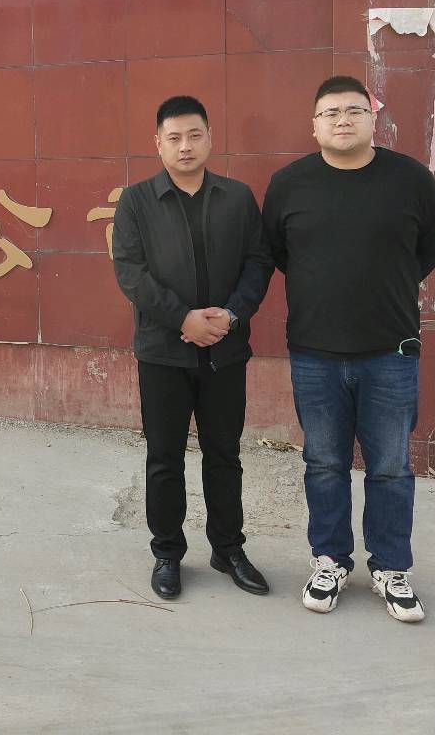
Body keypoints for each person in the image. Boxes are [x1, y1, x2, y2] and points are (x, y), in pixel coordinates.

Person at [262, 75, 435, 623]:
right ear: (314, 125)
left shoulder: (409, 179)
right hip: (314, 352)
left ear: (373, 118)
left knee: (390, 467)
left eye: (353, 111)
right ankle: (330, 560)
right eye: (330, 113)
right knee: (323, 463)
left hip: (390, 350)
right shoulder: (289, 184)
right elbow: (278, 252)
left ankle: (391, 567)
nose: (342, 120)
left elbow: (430, 245)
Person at [112, 95, 274, 600]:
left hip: (225, 349)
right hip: (163, 352)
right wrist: (183, 318)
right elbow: (130, 271)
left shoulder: (237, 198)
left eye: (194, 135)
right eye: (175, 137)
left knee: (224, 454)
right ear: (158, 144)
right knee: (165, 457)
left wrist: (231, 315)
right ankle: (167, 553)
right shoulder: (137, 201)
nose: (185, 146)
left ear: (210, 139)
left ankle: (228, 549)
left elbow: (258, 262)